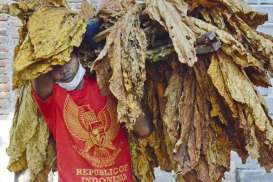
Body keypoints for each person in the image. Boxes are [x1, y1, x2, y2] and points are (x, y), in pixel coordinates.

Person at [31, 19, 153, 182]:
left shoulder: (110, 86)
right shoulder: (54, 98)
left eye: (67, 59)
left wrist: (122, 86)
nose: (63, 69)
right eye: (55, 65)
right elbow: (36, 71)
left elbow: (143, 130)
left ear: (78, 56)